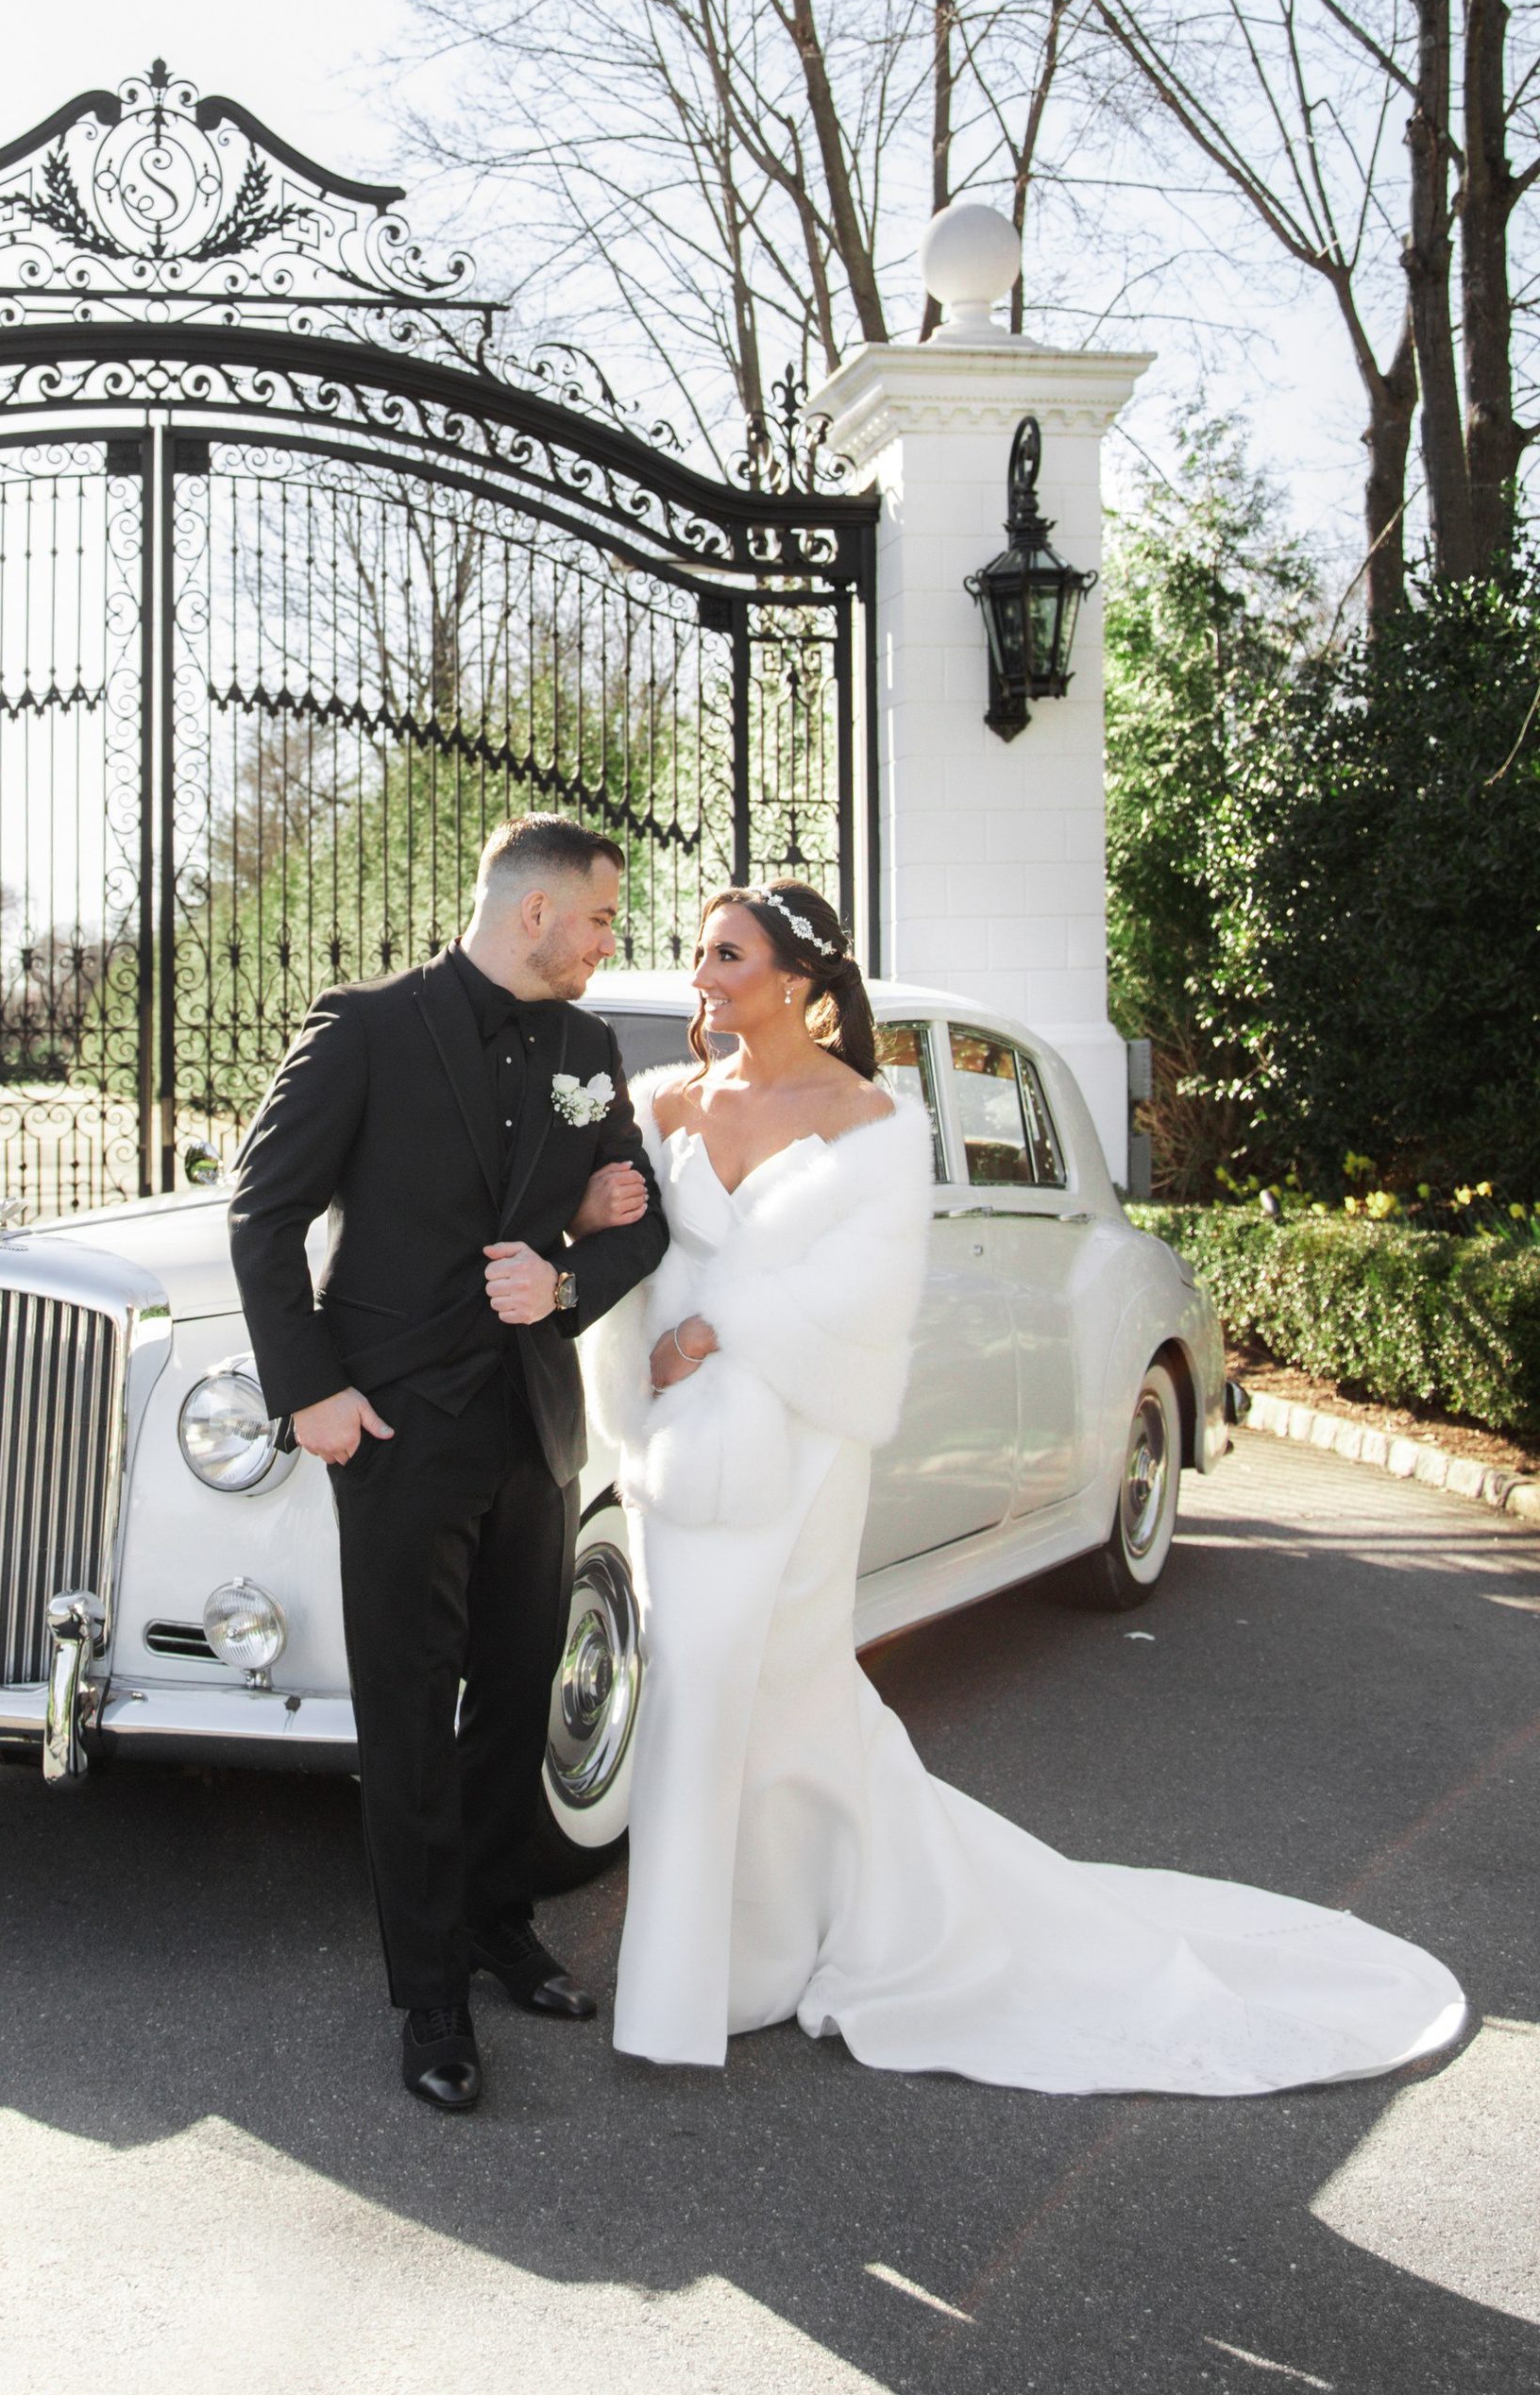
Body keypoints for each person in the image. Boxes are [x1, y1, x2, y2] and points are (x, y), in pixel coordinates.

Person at [595, 879, 1467, 2091]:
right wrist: (620, 1275)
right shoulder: (662, 1101)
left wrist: (708, 1332)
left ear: (794, 978)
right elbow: (626, 1250)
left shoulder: (872, 1118)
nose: (702, 973)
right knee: (705, 1685)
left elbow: (868, 1291)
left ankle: (710, 1980)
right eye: (699, 952)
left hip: (800, 1438)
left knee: (773, 1684)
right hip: (679, 1445)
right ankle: (754, 1946)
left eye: (726, 953)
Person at [228, 815, 667, 2114]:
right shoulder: (364, 1026)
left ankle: (494, 1922)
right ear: (534, 912)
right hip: (396, 1430)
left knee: (519, 1690)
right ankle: (426, 1996)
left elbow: (640, 1218)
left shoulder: (591, 1049)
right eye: (597, 920)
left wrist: (566, 1272)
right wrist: (310, 1392)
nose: (606, 943)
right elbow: (264, 1211)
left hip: (533, 1427)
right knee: (412, 1713)